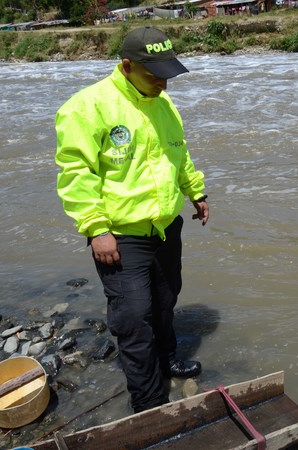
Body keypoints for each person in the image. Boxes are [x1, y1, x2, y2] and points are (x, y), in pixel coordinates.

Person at [55, 27, 209, 413]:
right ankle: (149, 402)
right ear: (126, 66)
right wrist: (95, 228)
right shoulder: (87, 107)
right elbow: (76, 173)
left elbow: (178, 154)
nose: (163, 82)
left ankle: (168, 359)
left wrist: (196, 191)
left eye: (167, 73)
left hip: (164, 225)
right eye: (154, 73)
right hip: (120, 234)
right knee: (133, 318)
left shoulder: (163, 104)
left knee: (165, 300)